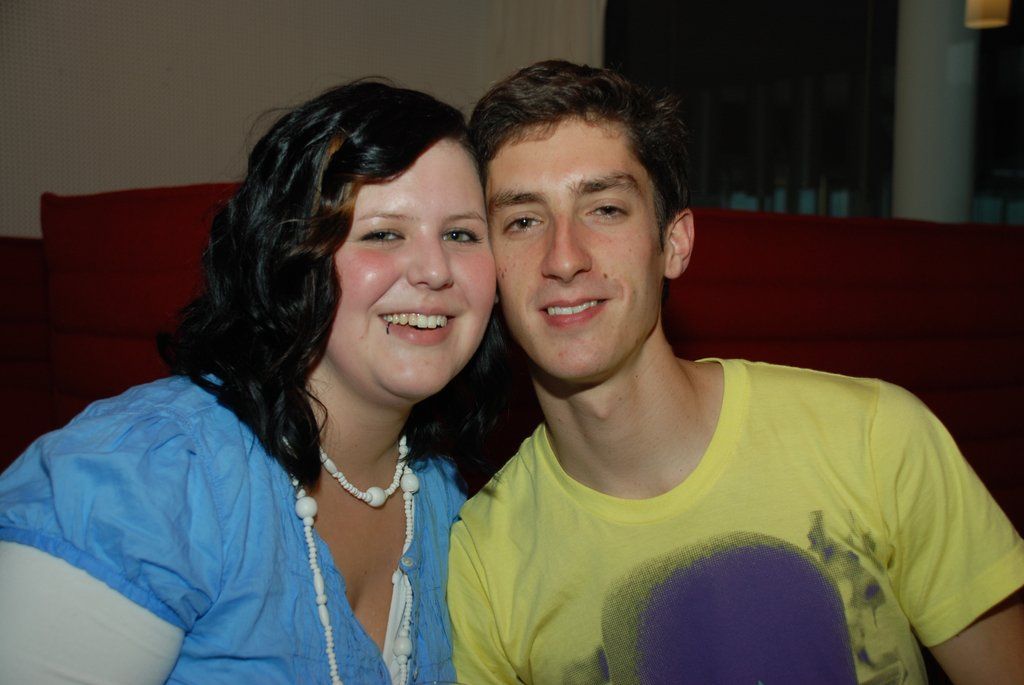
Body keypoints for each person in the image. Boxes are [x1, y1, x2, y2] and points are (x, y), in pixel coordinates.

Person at [447, 60, 1024, 684]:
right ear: (486, 267)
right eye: (523, 221)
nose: (564, 258)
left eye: (606, 209)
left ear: (674, 244)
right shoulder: (483, 559)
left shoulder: (876, 438)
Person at [0, 80, 506, 684]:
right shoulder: (148, 479)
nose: (435, 271)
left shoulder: (443, 496)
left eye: (461, 234)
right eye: (382, 233)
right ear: (289, 254)